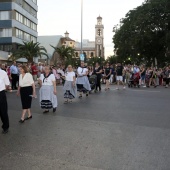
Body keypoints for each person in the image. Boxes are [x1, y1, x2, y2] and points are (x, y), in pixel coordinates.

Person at [0, 65, 10, 134]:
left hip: (1, 93)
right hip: (1, 93)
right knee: (3, 111)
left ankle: (5, 127)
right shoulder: (3, 72)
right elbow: (7, 85)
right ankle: (5, 127)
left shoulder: (3, 72)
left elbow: (7, 84)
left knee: (3, 111)